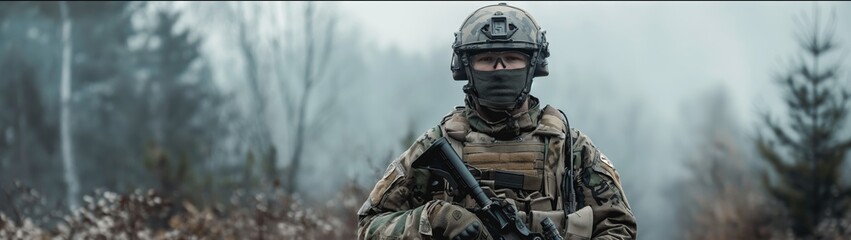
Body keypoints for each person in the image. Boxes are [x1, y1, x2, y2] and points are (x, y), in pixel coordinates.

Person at [357, 3, 636, 239]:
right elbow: (370, 226)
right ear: (466, 67)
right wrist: (437, 217)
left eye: (512, 58)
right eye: (487, 59)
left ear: (532, 66)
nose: (500, 69)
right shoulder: (438, 144)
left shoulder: (571, 149)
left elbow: (619, 226)